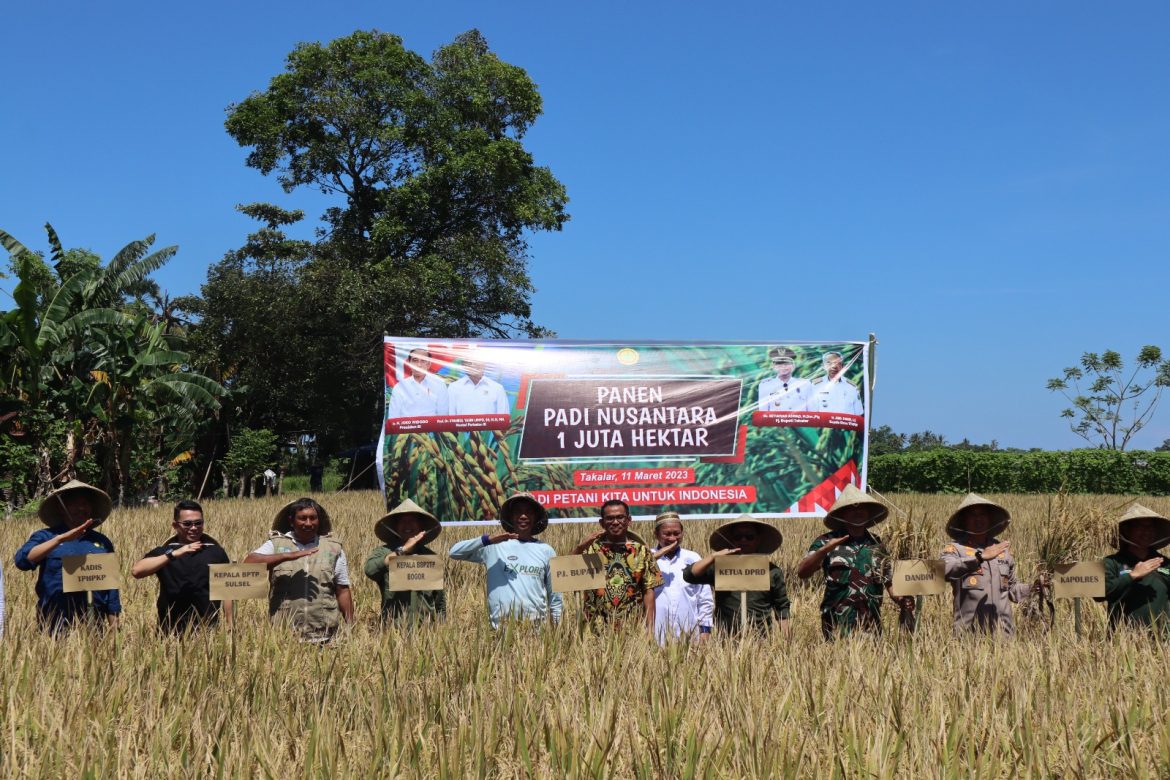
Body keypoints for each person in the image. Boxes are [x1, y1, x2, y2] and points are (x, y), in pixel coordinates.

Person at [797, 484, 913, 639]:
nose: (857, 511)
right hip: (836, 625)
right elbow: (803, 572)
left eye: (862, 508)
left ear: (868, 513)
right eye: (851, 508)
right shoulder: (826, 541)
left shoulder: (877, 544)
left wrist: (901, 600)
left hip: (870, 624)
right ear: (843, 514)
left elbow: (888, 581)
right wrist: (824, 550)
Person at [13, 480, 122, 635]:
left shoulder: (101, 542)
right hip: (54, 623)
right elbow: (22, 561)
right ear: (61, 507)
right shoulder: (46, 537)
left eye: (85, 503)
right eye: (74, 504)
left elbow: (112, 588)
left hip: (93, 625)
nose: (81, 508)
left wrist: (114, 625)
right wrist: (60, 539)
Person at [244, 498, 354, 643]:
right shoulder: (276, 544)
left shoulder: (333, 548)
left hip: (325, 636)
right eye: (302, 518)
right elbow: (248, 563)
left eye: (313, 518)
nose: (308, 523)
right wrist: (286, 556)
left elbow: (342, 590)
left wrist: (351, 626)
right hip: (284, 637)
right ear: (291, 521)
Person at [448, 492, 561, 627]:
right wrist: (487, 540)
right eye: (518, 512)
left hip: (535, 633)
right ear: (511, 517)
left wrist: (556, 627)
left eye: (529, 512)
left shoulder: (546, 551)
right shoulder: (494, 547)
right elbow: (454, 552)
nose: (523, 516)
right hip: (500, 630)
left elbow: (555, 595)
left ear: (535, 517)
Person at [131, 499, 233, 633]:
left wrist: (230, 624)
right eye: (187, 524)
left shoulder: (215, 552)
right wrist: (174, 554)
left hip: (207, 631)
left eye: (198, 523)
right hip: (169, 630)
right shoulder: (165, 551)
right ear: (175, 525)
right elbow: (137, 571)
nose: (194, 528)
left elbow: (226, 591)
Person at [682, 516, 790, 636]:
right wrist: (713, 557)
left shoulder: (772, 571)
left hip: (761, 641)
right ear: (732, 540)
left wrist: (786, 643)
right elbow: (689, 575)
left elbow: (782, 608)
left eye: (749, 537)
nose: (743, 540)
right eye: (738, 537)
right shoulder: (719, 568)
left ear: (758, 539)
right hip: (726, 642)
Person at [941, 493, 1031, 635]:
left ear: (989, 519)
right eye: (973, 515)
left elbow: (1012, 590)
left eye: (982, 514)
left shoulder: (1001, 550)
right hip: (969, 637)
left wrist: (1033, 588)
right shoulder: (956, 549)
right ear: (964, 520)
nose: (978, 519)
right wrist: (980, 558)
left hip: (1004, 636)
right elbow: (943, 570)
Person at [571, 500, 662, 633]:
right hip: (594, 629)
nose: (615, 522)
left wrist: (650, 630)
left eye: (620, 517)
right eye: (610, 518)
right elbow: (566, 574)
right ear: (602, 523)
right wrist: (580, 547)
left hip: (631, 628)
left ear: (629, 520)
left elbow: (649, 592)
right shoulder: (590, 549)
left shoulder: (641, 551)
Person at [364, 499, 446, 623]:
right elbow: (370, 570)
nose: (407, 525)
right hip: (394, 629)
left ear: (420, 527)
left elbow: (439, 600)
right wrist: (402, 550)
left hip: (425, 631)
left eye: (412, 521)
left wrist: (442, 625)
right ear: (396, 527)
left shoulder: (430, 557)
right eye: (402, 521)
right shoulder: (384, 552)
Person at [1101, 503, 1170, 632]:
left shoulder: (1165, 563)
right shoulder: (1111, 562)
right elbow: (1099, 594)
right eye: (1140, 526)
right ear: (1126, 530)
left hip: (1162, 640)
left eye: (1150, 527)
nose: (1147, 531)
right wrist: (1132, 576)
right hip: (1123, 639)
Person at [650, 511, 713, 643]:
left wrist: (705, 631)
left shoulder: (693, 558)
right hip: (655, 636)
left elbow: (704, 598)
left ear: (682, 533)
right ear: (656, 534)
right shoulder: (647, 558)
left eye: (677, 533)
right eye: (667, 534)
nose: (672, 538)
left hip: (689, 635)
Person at [387, 346, 449, 418]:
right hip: (406, 428)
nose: (419, 365)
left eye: (423, 361)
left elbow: (443, 416)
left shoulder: (439, 385)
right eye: (415, 360)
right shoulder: (399, 387)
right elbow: (393, 417)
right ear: (409, 363)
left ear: (428, 364)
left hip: (432, 428)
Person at [806, 351, 863, 416]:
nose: (834, 366)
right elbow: (811, 413)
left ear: (842, 366)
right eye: (829, 363)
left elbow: (858, 413)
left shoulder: (851, 386)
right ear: (823, 366)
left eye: (837, 363)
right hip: (824, 425)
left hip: (846, 425)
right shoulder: (815, 385)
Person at [757, 347, 813, 412]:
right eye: (779, 364)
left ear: (793, 365)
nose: (783, 366)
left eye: (787, 363)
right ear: (773, 366)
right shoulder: (765, 385)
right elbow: (763, 412)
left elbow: (812, 410)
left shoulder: (805, 384)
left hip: (800, 421)